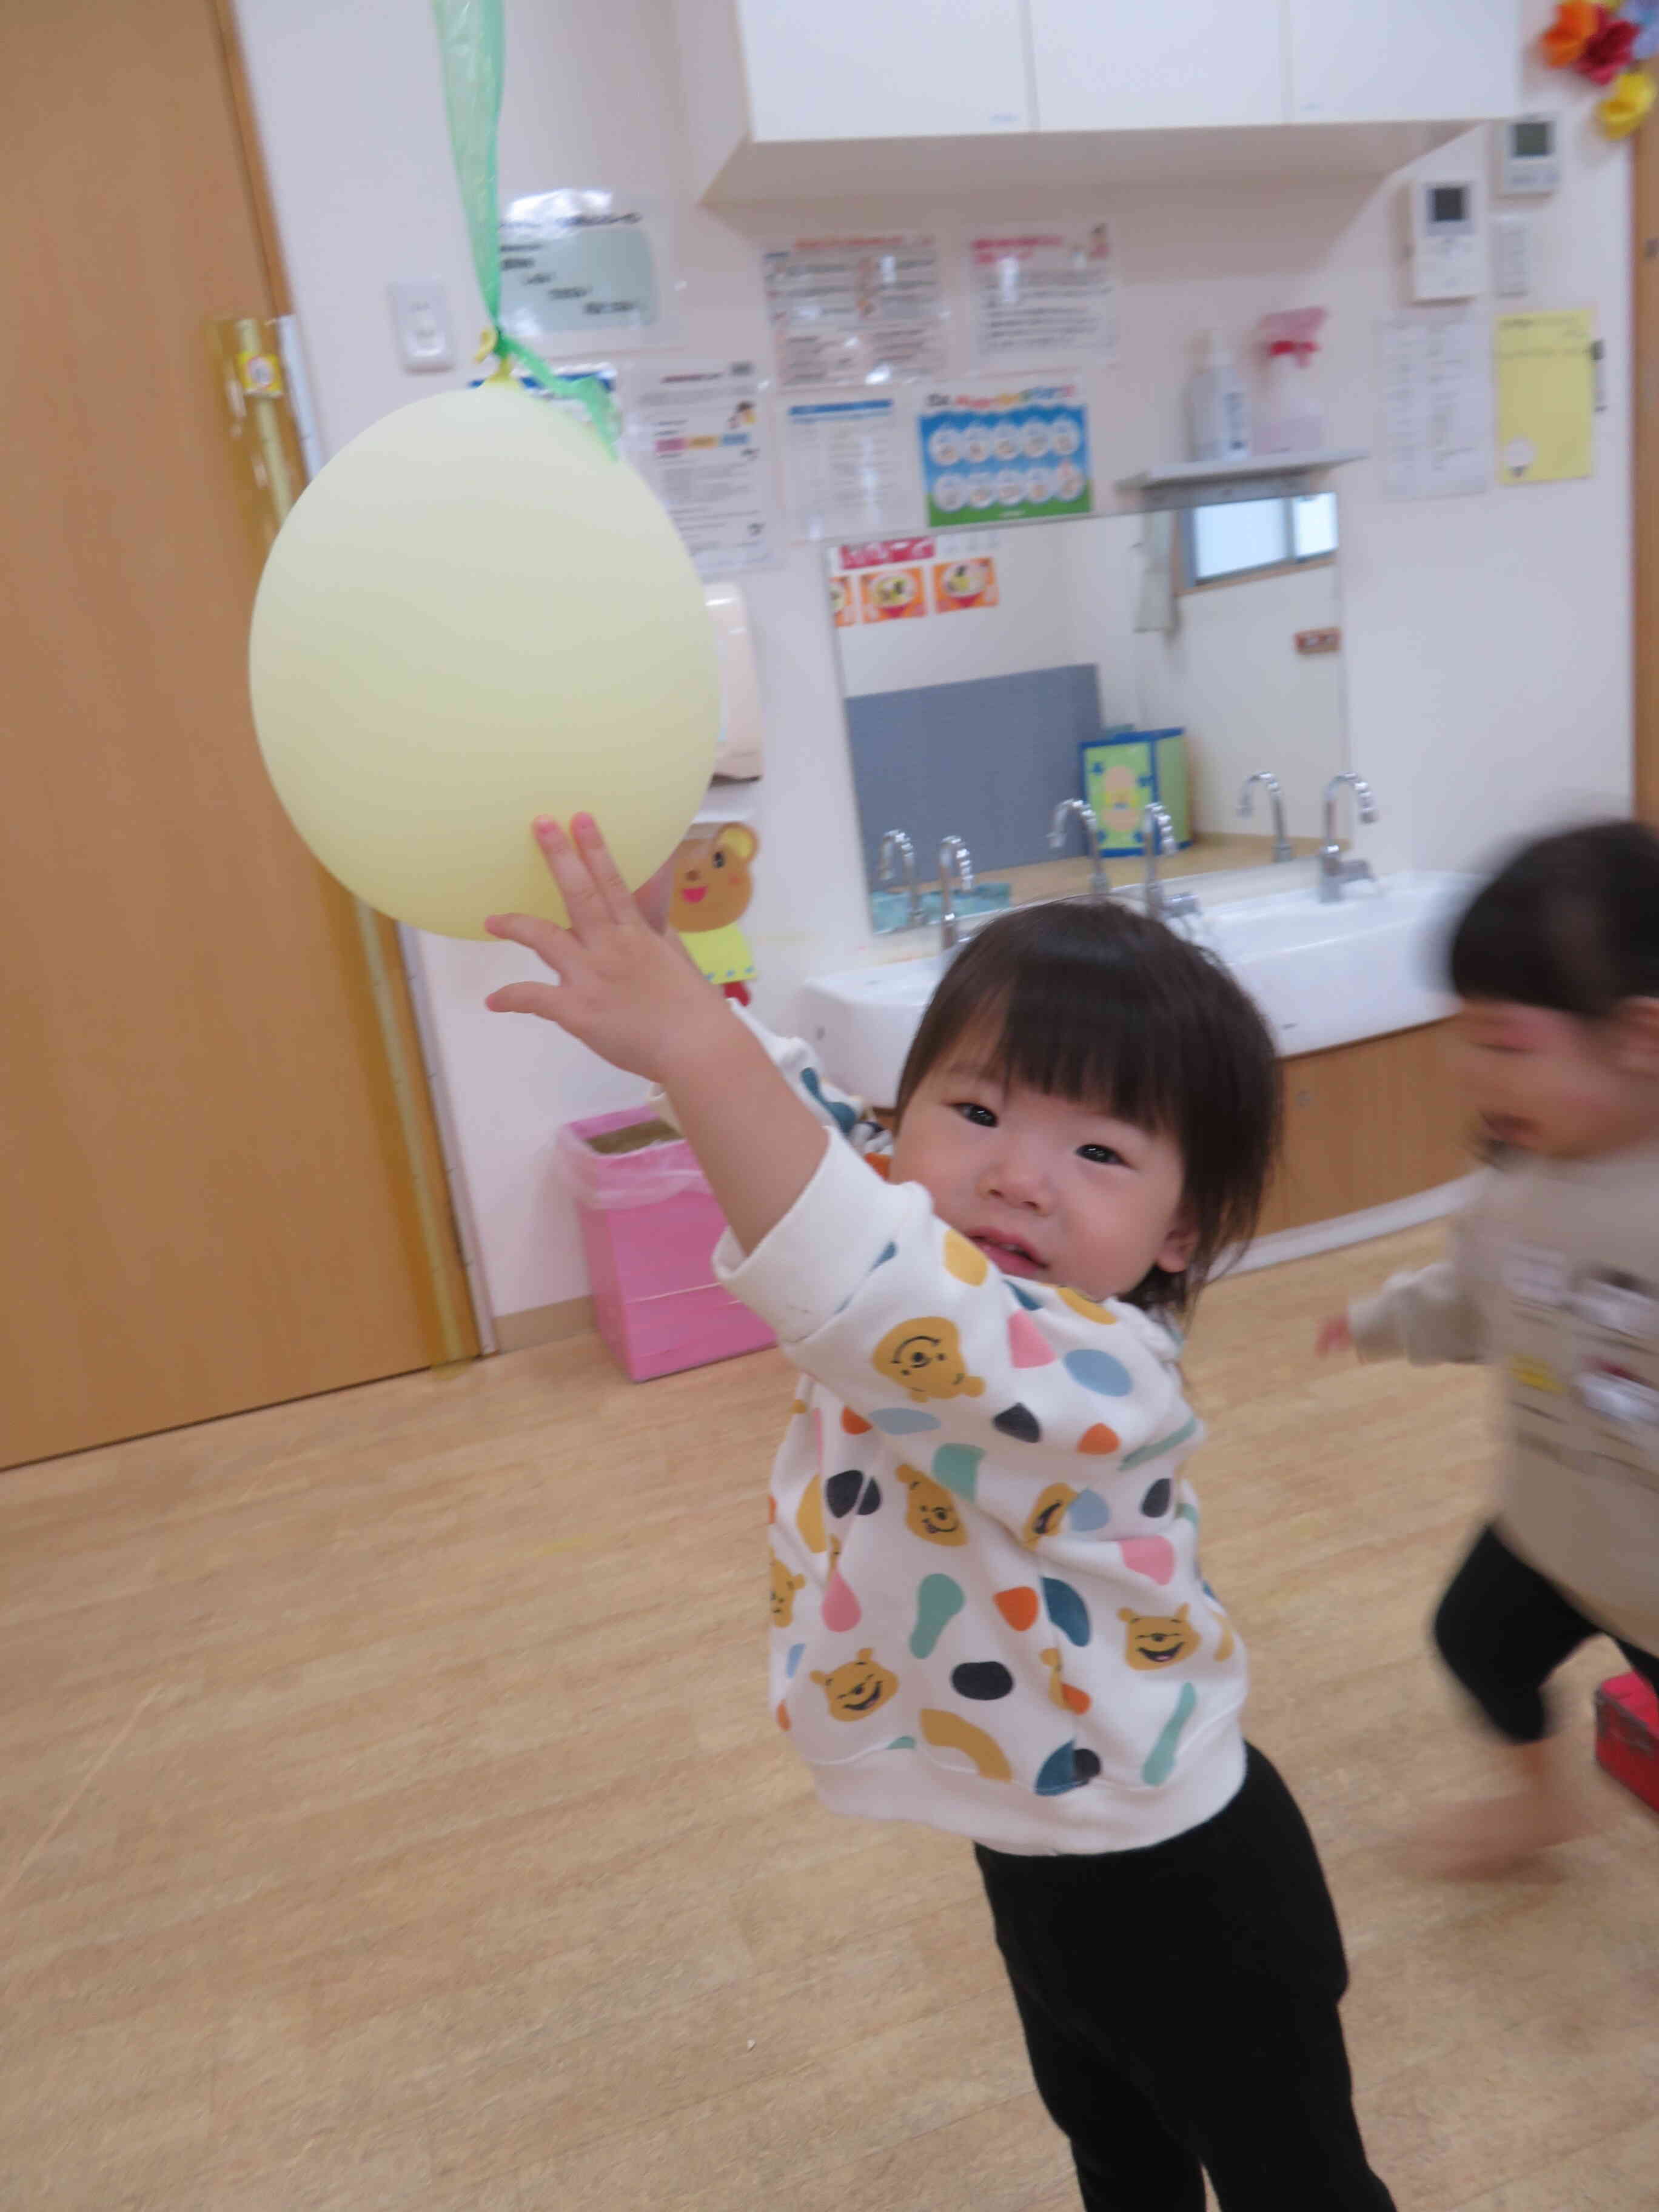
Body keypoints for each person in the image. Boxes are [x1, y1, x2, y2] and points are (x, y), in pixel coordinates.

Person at [488, 813, 1395, 2212]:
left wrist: (695, 1051)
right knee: (1113, 2152)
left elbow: (879, 1286)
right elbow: (828, 1161)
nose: (1016, 1175)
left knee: (1298, 2187)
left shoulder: (1095, 1373)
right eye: (974, 1114)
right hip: (1033, 1841)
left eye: (1099, 1151)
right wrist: (701, 1005)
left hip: (1184, 1876)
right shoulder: (925, 1226)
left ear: (1180, 1234)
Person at [1319, 820, 1659, 1877]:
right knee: (1474, 1643)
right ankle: (1542, 1805)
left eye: (1506, 1043)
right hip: (1551, 1525)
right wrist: (1382, 1322)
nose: (1470, 1072)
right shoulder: (1517, 1185)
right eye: (1462, 1036)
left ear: (1640, 1036)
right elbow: (1477, 1297)